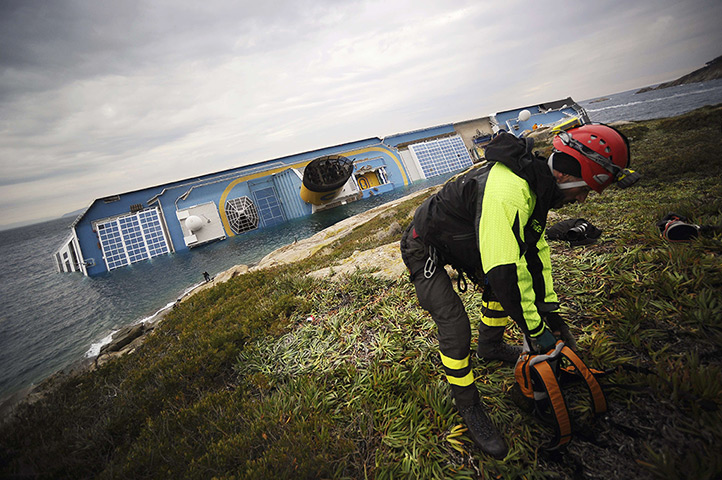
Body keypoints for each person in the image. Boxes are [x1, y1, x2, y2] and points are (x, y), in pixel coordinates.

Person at [400, 124, 632, 459]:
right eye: (585, 190)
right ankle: (468, 406)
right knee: (454, 325)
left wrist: (549, 309)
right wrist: (535, 330)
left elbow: (535, 253)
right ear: (570, 175)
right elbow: (505, 273)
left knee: (501, 287)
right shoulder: (508, 191)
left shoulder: (535, 187)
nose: (583, 199)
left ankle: (490, 347)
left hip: (467, 240)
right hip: (426, 246)